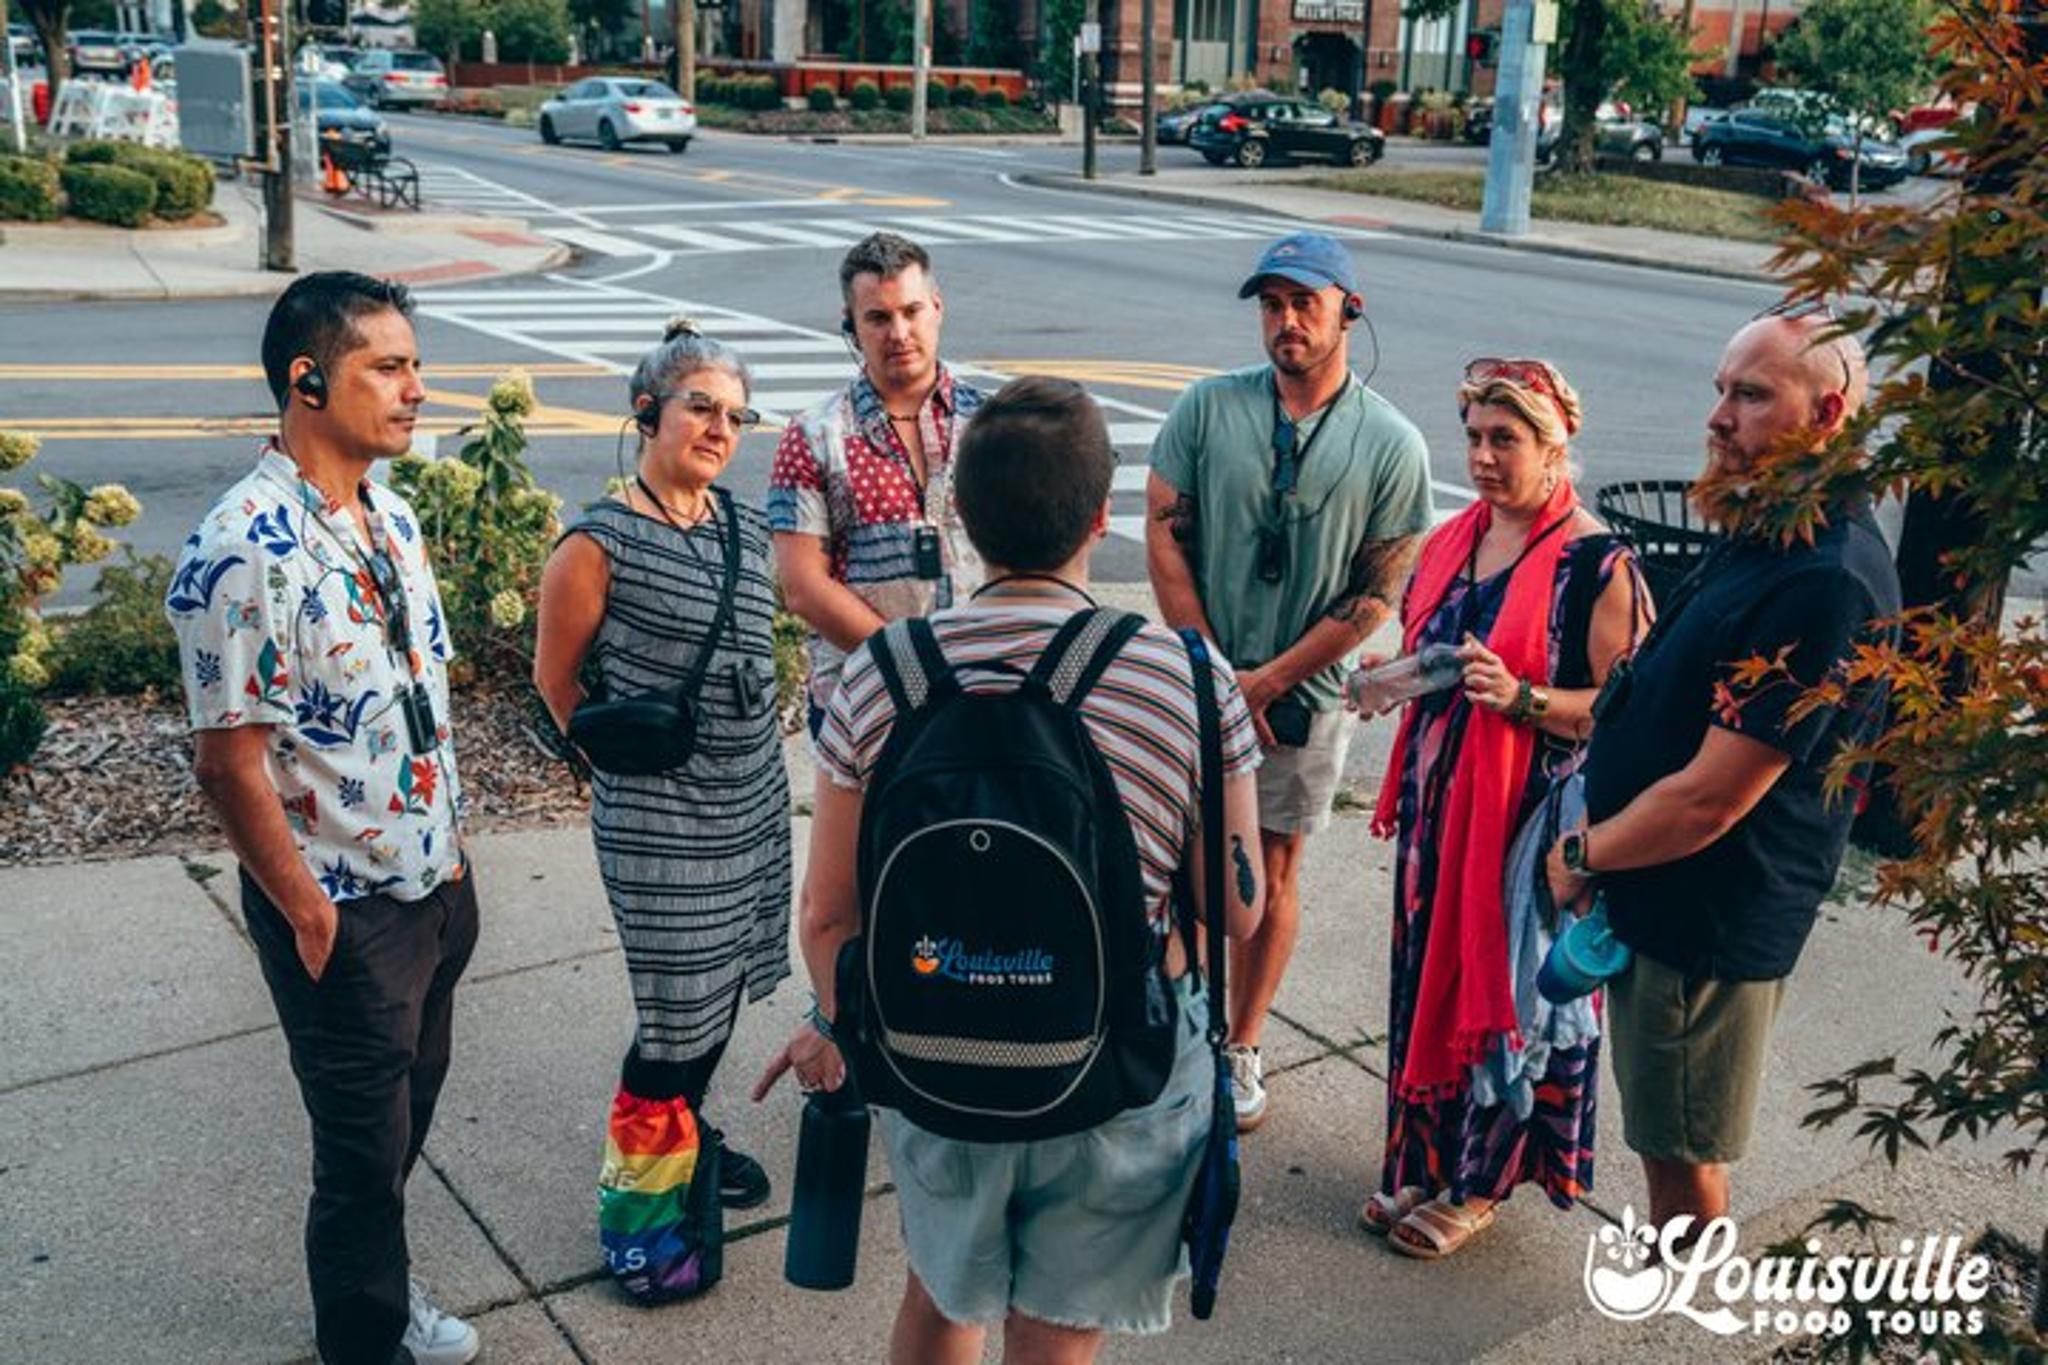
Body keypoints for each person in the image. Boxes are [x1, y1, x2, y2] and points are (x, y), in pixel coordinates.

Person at [755, 377, 1267, 1364]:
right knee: (1056, 1330)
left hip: (933, 1050)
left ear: (962, 517)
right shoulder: (1187, 678)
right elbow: (1234, 908)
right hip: (1120, 1064)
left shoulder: (881, 671)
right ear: (1094, 518)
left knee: (943, 1297)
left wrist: (838, 1024)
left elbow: (825, 914)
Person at [166, 272, 480, 1365]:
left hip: (432, 888)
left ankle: (379, 1284)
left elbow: (414, 693)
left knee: (398, 1130)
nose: (415, 390)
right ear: (306, 381)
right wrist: (304, 911)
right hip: (342, 912)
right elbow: (227, 762)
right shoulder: (241, 549)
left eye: (414, 365)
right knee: (358, 1156)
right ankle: (365, 1335)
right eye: (385, 368)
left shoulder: (388, 516)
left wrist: (452, 857)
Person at [1546, 313, 1900, 1236]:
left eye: (1750, 395)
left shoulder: (1826, 580)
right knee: (1665, 1128)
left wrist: (1586, 849)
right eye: (1720, 388)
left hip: (1706, 922)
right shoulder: (1772, 528)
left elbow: (1712, 797)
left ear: (1826, 414)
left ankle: (1685, 1308)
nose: (1718, 416)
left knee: (1682, 1152)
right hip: (1662, 900)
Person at [1361, 359, 1650, 1260]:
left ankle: (1482, 1183)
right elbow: (1433, 650)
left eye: (1506, 440)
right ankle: (1424, 1156)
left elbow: (1628, 709)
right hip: (1437, 808)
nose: (1484, 457)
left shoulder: (1597, 564)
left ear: (1554, 442)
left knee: (1509, 997)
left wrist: (1524, 698)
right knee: (1426, 984)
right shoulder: (1456, 539)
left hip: (1528, 824)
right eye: (1476, 438)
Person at [1146, 230, 1433, 1131]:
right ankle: (1178, 1025)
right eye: (1271, 305)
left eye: (1304, 303)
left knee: (1269, 863)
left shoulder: (1392, 444)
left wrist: (1265, 683)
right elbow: (1164, 533)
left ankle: (1241, 1041)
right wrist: (1211, 668)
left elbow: (1377, 591)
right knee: (1177, 860)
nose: (1285, 322)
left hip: (1300, 700)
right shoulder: (1206, 408)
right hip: (1201, 680)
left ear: (1349, 309)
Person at [533, 320, 791, 1210]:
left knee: (718, 996)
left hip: (752, 799)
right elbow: (555, 681)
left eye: (735, 415)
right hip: (659, 817)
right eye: (700, 407)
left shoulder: (744, 526)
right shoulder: (596, 543)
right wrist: (618, 754)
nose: (721, 428)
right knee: (674, 1011)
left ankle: (687, 1135)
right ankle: (646, 1180)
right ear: (647, 412)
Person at [767, 231, 985, 740]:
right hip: (864, 702)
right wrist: (920, 674)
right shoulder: (815, 436)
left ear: (937, 307)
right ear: (850, 325)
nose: (899, 332)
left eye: (911, 311)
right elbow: (803, 588)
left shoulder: (994, 424)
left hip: (984, 693)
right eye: (878, 318)